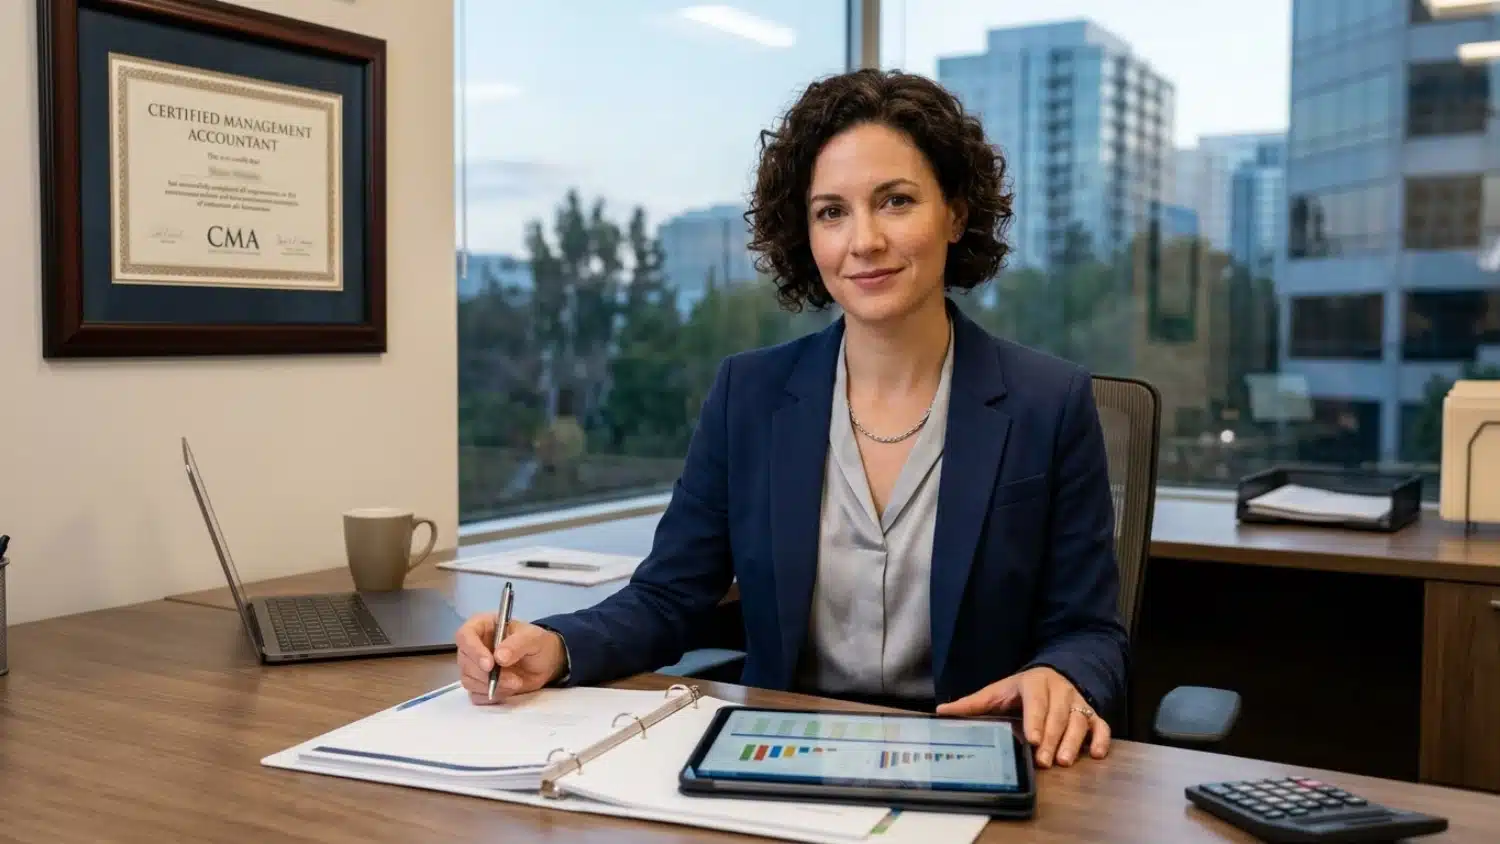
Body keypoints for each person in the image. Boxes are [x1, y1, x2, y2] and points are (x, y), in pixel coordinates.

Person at [455, 68, 1128, 770]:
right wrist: (558, 647)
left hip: (971, 759)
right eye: (831, 212)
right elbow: (669, 595)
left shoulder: (1048, 402)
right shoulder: (749, 394)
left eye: (895, 201)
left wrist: (1064, 678)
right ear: (804, 233)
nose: (863, 241)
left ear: (955, 213)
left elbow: (1090, 632)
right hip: (783, 757)